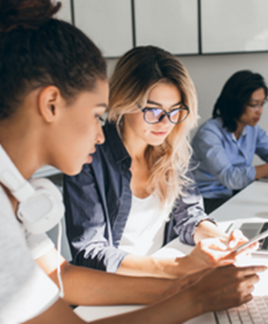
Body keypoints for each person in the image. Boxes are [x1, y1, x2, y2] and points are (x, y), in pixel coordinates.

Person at [0, 1, 265, 322]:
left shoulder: (5, 193)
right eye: (96, 115)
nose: (99, 134)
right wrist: (193, 299)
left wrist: (182, 286)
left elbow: (63, 278)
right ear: (51, 104)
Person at [63, 46, 253, 278]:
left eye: (175, 111)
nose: (166, 123)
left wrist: (222, 239)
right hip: (116, 287)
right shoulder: (88, 157)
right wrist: (175, 268)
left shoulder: (172, 152)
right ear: (125, 102)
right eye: (154, 111)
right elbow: (89, 252)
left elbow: (189, 215)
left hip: (165, 277)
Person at [191, 70, 268, 213]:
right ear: (236, 103)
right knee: (263, 210)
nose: (260, 111)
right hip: (206, 201)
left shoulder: (253, 130)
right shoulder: (209, 134)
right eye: (254, 105)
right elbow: (230, 178)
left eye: (262, 104)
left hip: (235, 194)